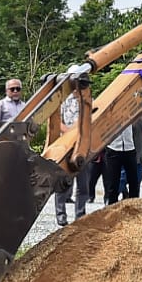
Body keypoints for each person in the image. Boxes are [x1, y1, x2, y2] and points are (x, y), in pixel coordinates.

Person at [53, 92, 90, 226]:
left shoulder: (89, 101)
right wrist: (71, 133)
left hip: (84, 146)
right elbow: (58, 122)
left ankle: (80, 215)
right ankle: (60, 215)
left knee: (83, 184)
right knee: (64, 181)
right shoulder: (63, 101)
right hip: (67, 145)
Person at [103, 120, 142, 207]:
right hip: (113, 148)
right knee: (113, 184)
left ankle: (134, 207)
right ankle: (111, 208)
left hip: (129, 147)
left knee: (134, 182)